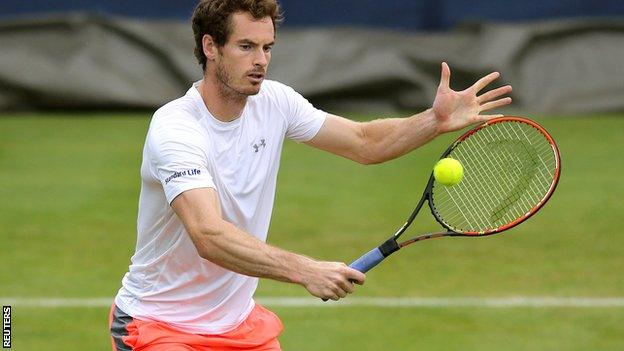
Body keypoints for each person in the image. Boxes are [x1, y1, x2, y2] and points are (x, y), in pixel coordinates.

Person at [109, 0, 513, 350]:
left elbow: (363, 141)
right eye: (246, 47)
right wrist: (306, 269)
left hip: (239, 327)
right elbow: (208, 235)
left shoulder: (276, 102)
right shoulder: (176, 128)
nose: (261, 61)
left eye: (267, 47)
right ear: (210, 47)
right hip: (160, 326)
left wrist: (433, 121)